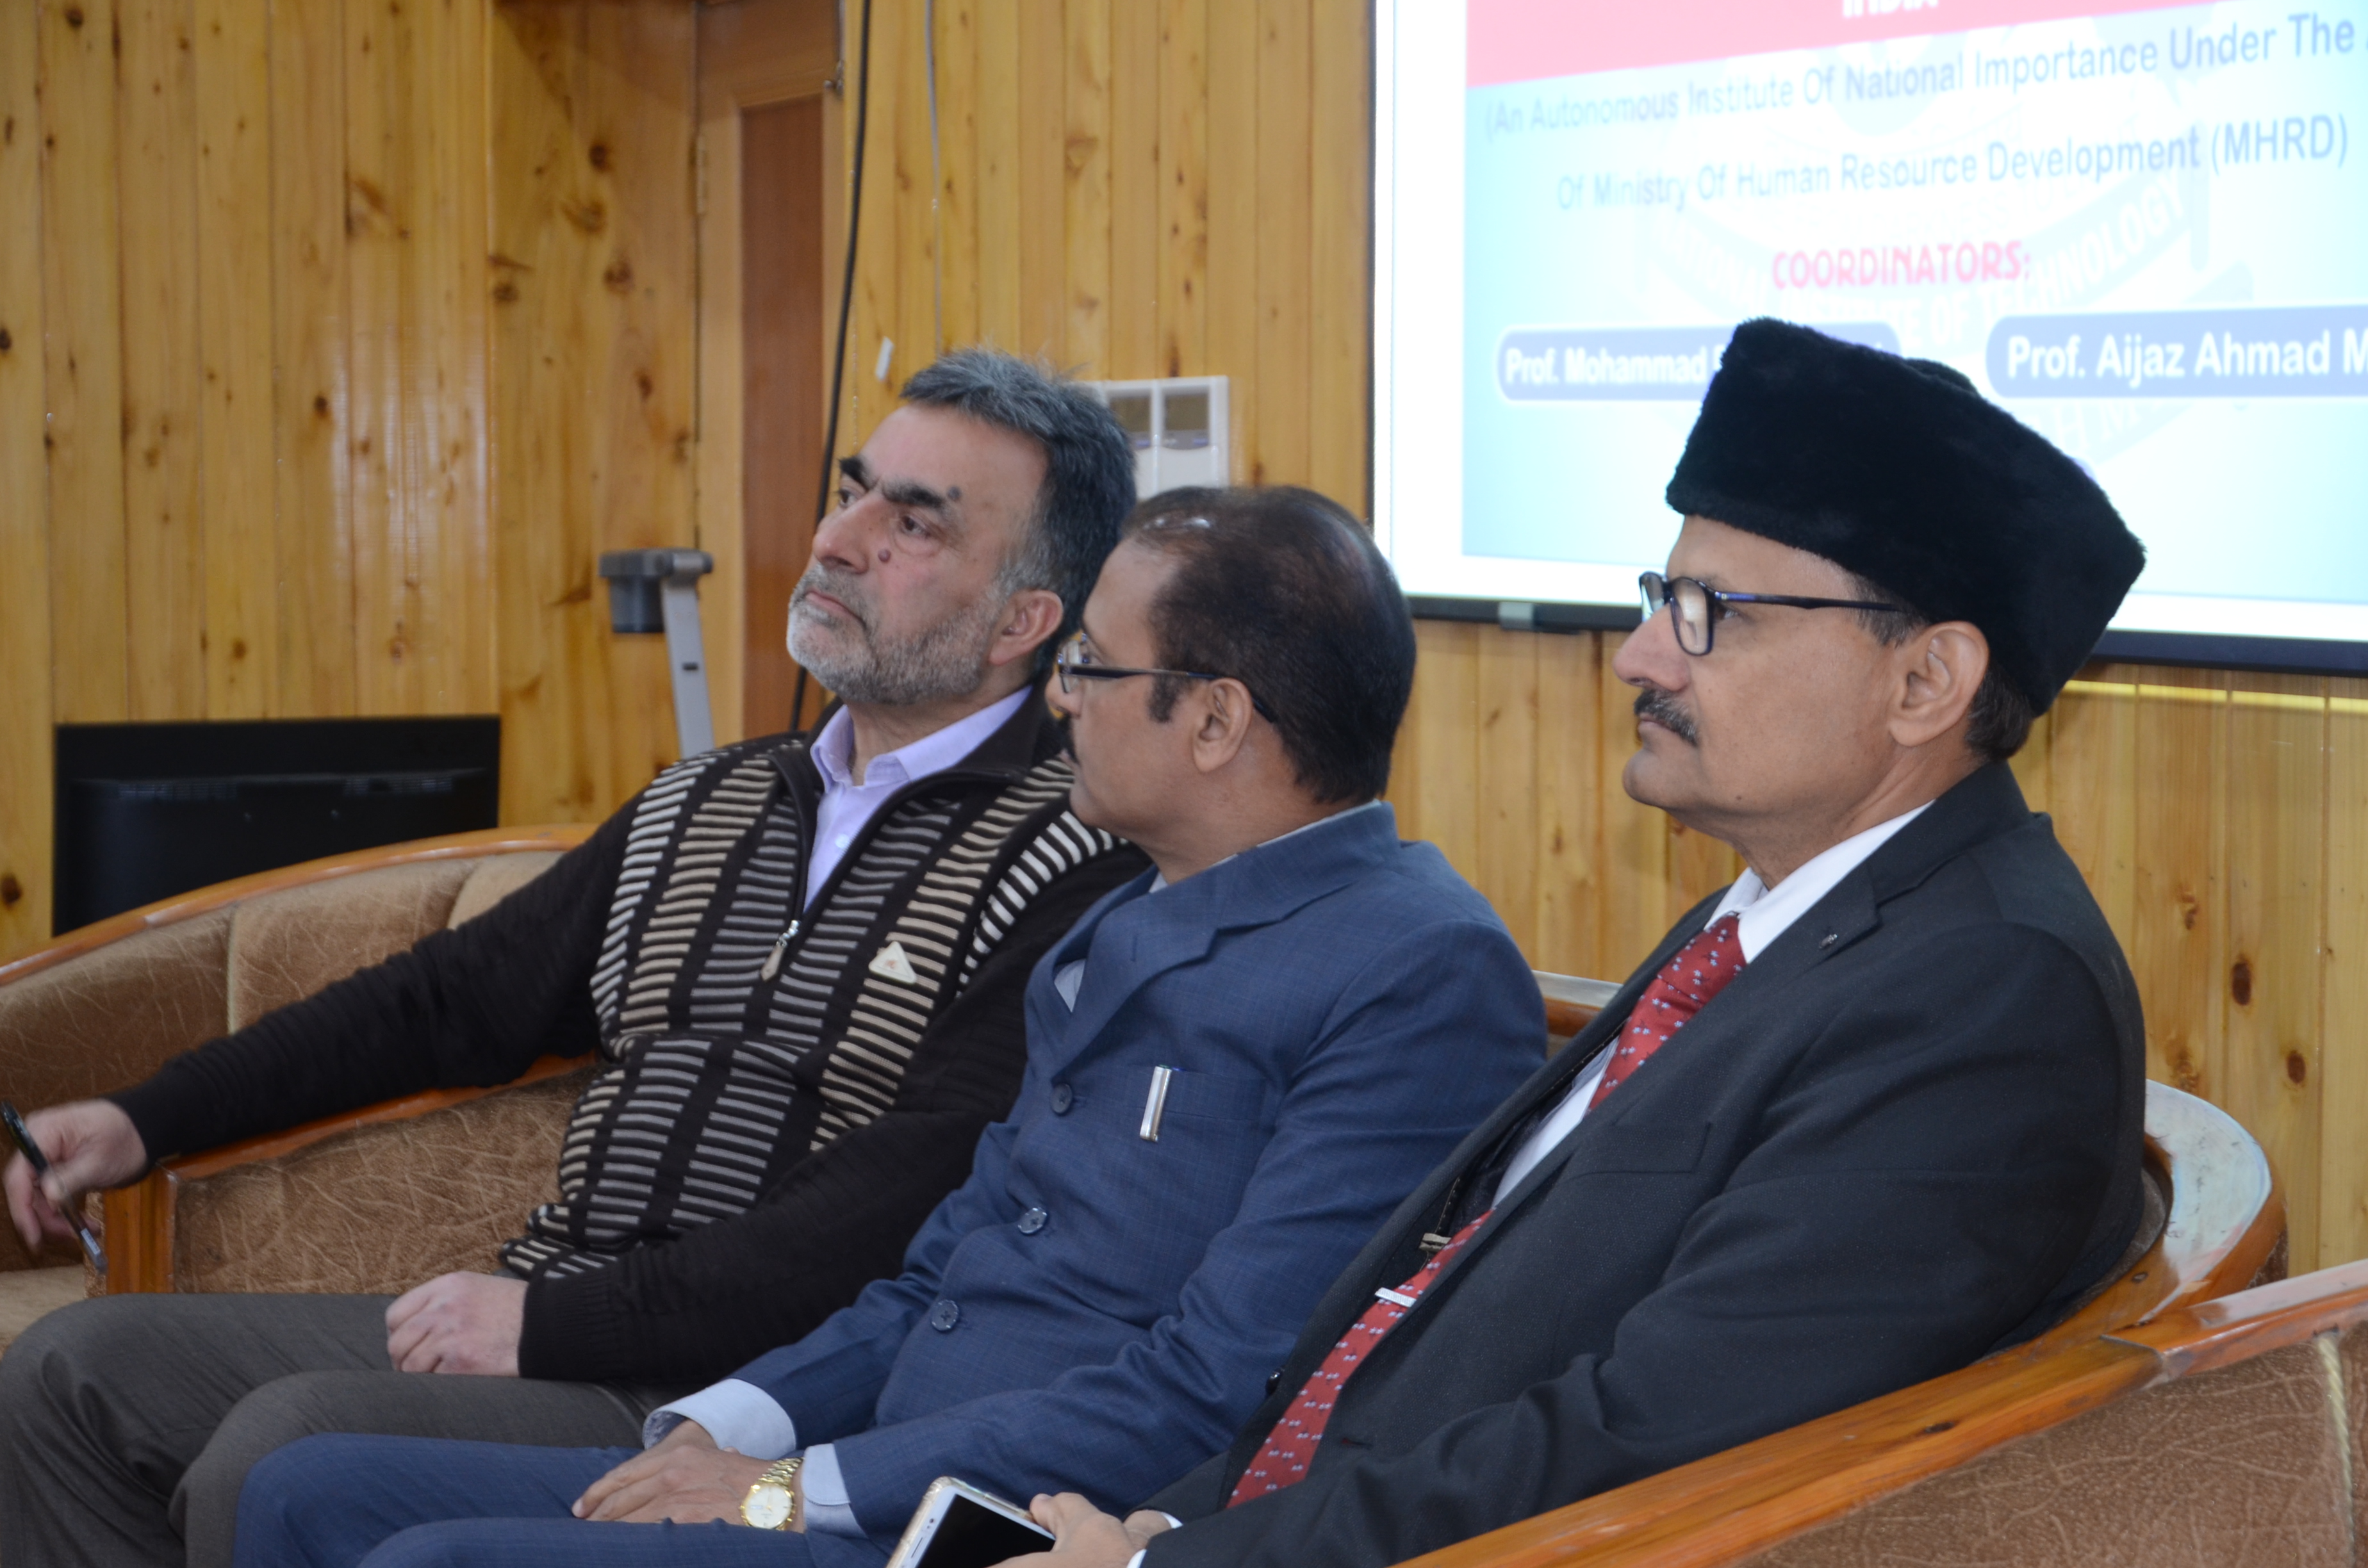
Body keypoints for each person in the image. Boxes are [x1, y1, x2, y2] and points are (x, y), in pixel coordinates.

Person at [997, 318, 2156, 1568]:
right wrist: (1179, 1518)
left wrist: (1168, 1565)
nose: (1639, 658)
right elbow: (1436, 1302)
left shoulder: (1989, 994)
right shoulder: (1779, 916)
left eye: (1711, 614)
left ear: (1925, 684)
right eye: (1661, 598)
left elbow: (1654, 1441)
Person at [229, 485, 1547, 1568]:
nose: (1061, 698)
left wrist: (785, 1493)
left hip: (1014, 1528)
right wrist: (724, 1426)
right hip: (863, 1470)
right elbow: (937, 1282)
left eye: (1090, 665)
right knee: (306, 1495)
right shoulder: (1119, 919)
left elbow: (1224, 1382)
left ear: (1213, 720)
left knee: (429, 1561)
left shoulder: (1416, 971)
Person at [0, 349, 1157, 1568]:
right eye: (853, 491)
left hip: (741, 1396)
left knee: (280, 1446)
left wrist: (553, 1326)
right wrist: (145, 1118)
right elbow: (442, 1001)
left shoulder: (1077, 855)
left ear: (1024, 621)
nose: (837, 539)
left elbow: (913, 1198)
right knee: (73, 1371)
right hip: (556, 1311)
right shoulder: (704, 798)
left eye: (911, 524)